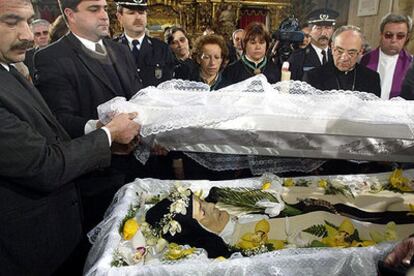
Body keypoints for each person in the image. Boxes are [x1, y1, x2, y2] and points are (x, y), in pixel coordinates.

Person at [0, 0, 140, 274]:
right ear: (69, 15)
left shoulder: (9, 69)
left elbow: (49, 131)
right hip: (27, 247)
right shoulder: (45, 58)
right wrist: (108, 134)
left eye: (28, 22)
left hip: (59, 229)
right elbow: (45, 164)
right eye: (11, 21)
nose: (28, 36)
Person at [34, 0, 146, 235]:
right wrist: (104, 129)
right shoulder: (51, 57)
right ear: (70, 15)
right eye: (94, 9)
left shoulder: (120, 50)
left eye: (105, 8)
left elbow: (136, 98)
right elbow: (58, 120)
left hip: (137, 169)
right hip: (96, 180)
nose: (104, 15)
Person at [145, 185, 414, 259]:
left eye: (201, 201)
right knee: (389, 236)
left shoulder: (223, 202)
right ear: (196, 230)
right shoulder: (239, 248)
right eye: (202, 210)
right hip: (326, 233)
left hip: (328, 220)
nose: (210, 204)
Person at [303, 25, 381, 96]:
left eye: (351, 53)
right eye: (339, 51)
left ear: (360, 51)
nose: (344, 58)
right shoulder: (313, 77)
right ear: (332, 47)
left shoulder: (372, 79)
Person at [115, 0, 175, 88]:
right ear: (120, 17)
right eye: (131, 13)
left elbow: (168, 86)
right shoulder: (111, 49)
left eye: (141, 12)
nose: (138, 17)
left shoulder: (162, 49)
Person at [360, 14, 413, 100]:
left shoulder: (411, 65)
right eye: (388, 35)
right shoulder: (365, 60)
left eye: (400, 36)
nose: (393, 40)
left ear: (407, 38)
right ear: (381, 35)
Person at [288, 8, 338, 80]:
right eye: (318, 28)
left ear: (333, 30)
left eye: (328, 28)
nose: (323, 33)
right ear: (310, 31)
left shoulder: (337, 55)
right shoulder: (298, 57)